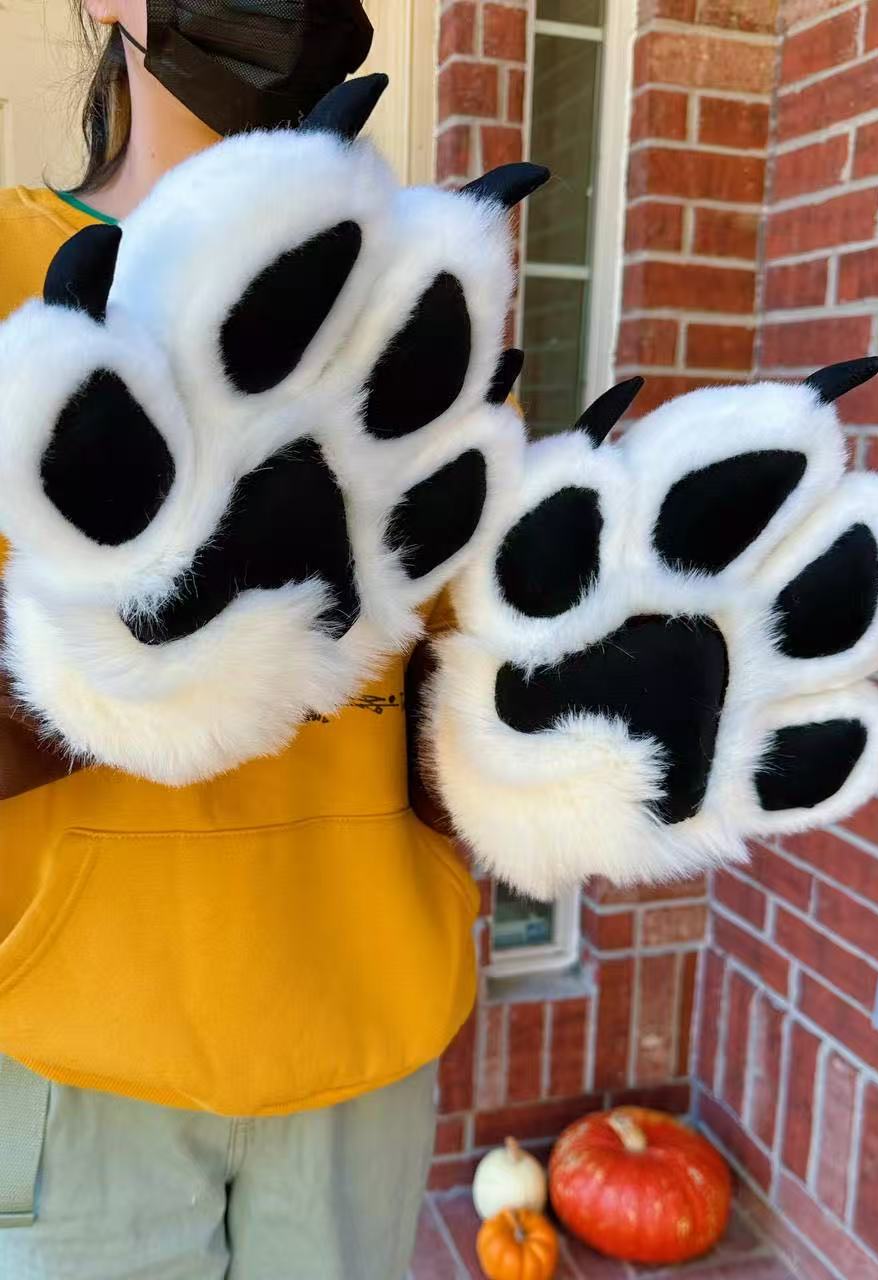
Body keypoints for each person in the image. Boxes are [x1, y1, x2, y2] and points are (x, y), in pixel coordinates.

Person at [0, 5, 478, 1277]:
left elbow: (459, 687)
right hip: (72, 1061)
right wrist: (145, 647)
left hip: (364, 1041)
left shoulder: (426, 295)